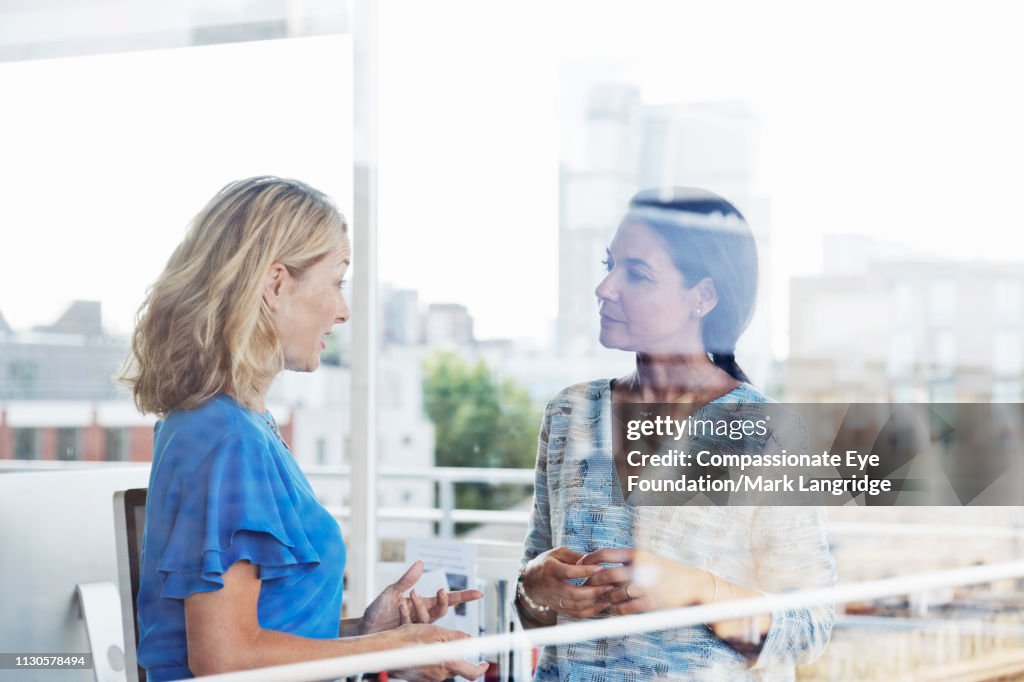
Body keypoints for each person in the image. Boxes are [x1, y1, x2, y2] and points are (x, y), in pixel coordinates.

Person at [123, 177, 488, 681]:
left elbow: (257, 632)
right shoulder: (229, 439)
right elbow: (225, 661)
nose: (343, 311)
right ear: (275, 285)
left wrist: (369, 632)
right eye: (337, 281)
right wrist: (393, 648)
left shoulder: (229, 424)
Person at [516, 188, 835, 680]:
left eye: (636, 274)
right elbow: (535, 616)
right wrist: (533, 586)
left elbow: (809, 627)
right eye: (609, 265)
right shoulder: (569, 413)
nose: (605, 288)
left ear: (703, 296)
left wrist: (694, 591)